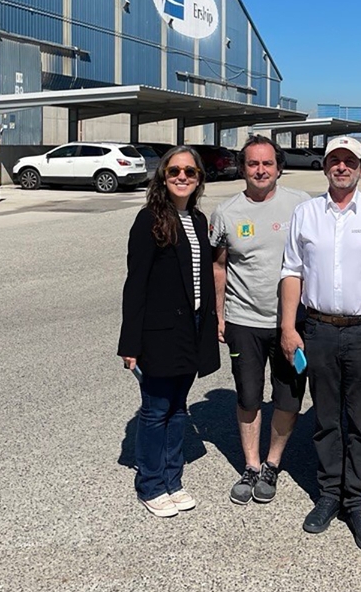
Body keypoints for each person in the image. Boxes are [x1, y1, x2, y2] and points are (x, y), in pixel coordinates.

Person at [280, 136, 361, 552]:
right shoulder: (305, 214)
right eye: (334, 160)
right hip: (318, 329)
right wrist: (288, 327)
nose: (341, 167)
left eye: (349, 161)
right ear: (325, 167)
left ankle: (358, 504)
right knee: (325, 420)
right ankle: (329, 495)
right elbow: (292, 271)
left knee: (360, 423)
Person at [118, 146, 220, 518]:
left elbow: (204, 278)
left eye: (189, 172)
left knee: (179, 409)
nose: (181, 177)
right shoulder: (149, 219)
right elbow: (136, 285)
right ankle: (151, 484)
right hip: (159, 332)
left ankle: (173, 480)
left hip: (191, 329)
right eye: (174, 170)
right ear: (163, 176)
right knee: (156, 409)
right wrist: (130, 343)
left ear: (199, 179)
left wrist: (212, 322)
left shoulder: (198, 219)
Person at [210, 135, 310, 505]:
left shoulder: (301, 205)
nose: (261, 170)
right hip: (244, 321)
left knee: (288, 398)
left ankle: (272, 463)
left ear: (279, 167)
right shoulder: (226, 212)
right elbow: (219, 267)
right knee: (249, 396)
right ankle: (251, 465)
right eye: (253, 163)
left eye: (267, 163)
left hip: (292, 323)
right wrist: (219, 315)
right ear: (242, 168)